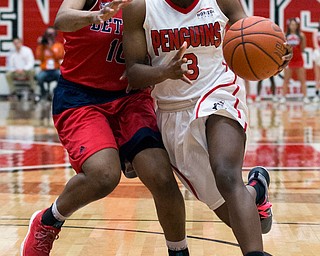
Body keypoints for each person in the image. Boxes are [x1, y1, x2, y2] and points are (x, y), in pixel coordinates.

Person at [123, 0, 292, 255]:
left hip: (219, 90)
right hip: (173, 109)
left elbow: (248, 32)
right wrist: (164, 71)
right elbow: (133, 73)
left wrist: (273, 53)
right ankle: (256, 190)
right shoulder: (140, 8)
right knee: (232, 211)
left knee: (226, 173)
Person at [21, 1, 188, 256]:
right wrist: (94, 16)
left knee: (161, 177)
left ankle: (179, 251)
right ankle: (48, 221)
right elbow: (62, 18)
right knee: (103, 175)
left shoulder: (151, 4)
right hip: (82, 98)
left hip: (131, 98)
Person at [280, 17, 309, 104]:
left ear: (297, 26)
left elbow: (303, 48)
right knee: (286, 79)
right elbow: (283, 49)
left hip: (299, 59)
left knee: (302, 79)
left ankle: (305, 97)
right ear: (289, 25)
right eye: (291, 24)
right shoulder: (285, 35)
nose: (293, 26)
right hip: (289, 59)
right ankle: (283, 97)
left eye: (294, 24)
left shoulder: (301, 35)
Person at [35, 26, 64, 100]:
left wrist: (50, 48)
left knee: (62, 78)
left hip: (55, 69)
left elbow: (59, 57)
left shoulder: (58, 46)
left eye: (52, 34)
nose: (50, 36)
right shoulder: (42, 46)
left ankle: (54, 91)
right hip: (45, 69)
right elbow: (39, 57)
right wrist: (42, 46)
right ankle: (43, 93)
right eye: (48, 34)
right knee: (39, 78)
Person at [313, 19, 320, 103]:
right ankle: (316, 93)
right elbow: (315, 44)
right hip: (318, 54)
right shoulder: (315, 32)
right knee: (317, 76)